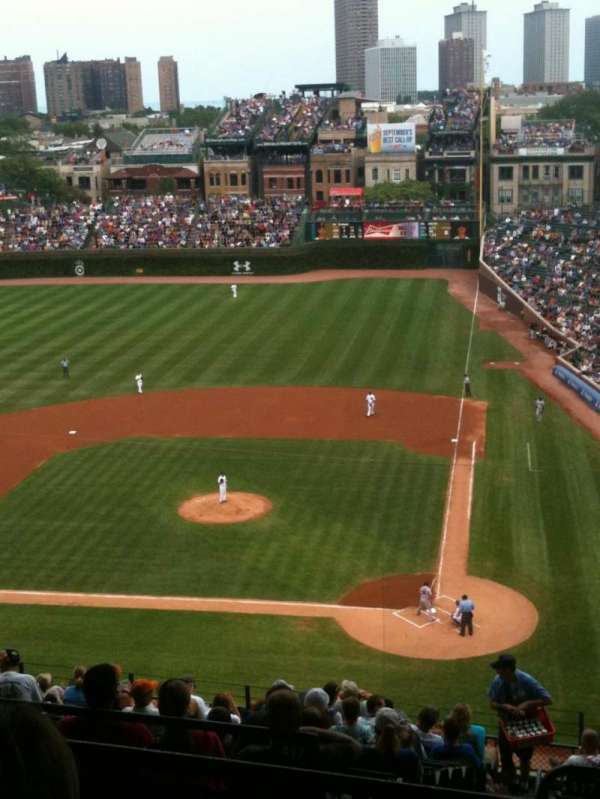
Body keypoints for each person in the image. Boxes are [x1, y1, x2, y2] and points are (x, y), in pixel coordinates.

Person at [488, 653, 552, 792]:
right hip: (506, 726)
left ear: (508, 669)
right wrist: (505, 707)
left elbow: (547, 699)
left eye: (500, 668)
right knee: (505, 756)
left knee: (525, 757)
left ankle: (524, 782)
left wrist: (527, 704)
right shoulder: (497, 681)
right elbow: (492, 703)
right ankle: (509, 781)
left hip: (525, 726)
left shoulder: (526, 680)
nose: (497, 671)